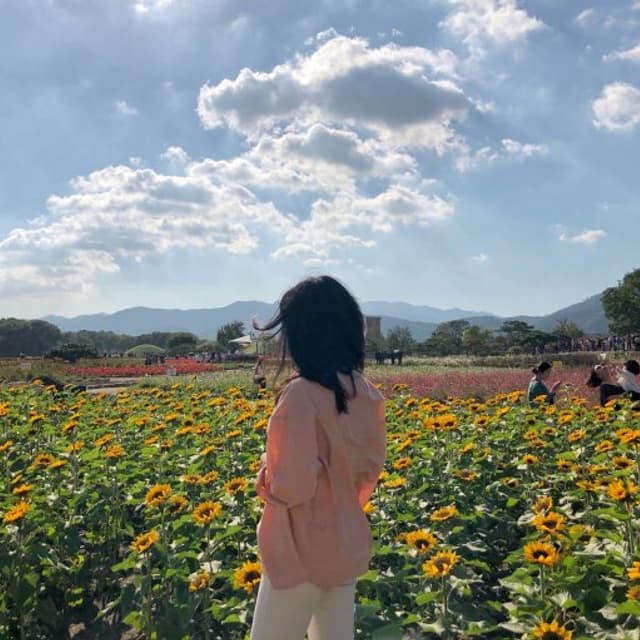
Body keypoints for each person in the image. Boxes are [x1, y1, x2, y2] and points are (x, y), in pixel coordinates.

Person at [250, 275, 386, 640]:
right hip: (345, 541)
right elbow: (368, 469)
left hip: (299, 550)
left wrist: (265, 474)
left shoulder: (301, 394)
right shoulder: (366, 392)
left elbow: (291, 487)